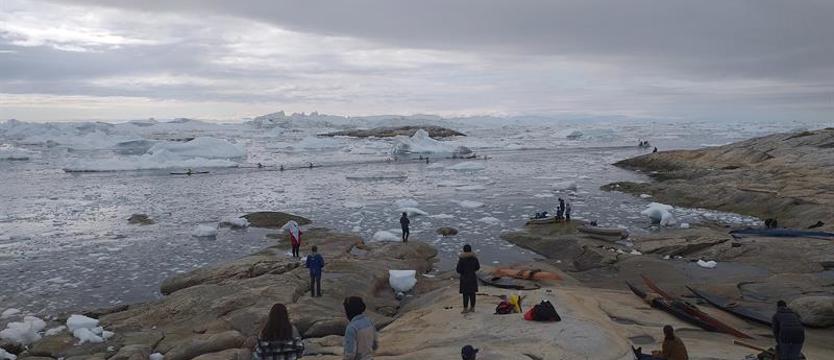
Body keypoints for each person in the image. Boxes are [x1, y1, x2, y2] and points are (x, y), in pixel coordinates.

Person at [456, 244, 480, 314]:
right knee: (472, 293)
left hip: (464, 278)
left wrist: (463, 272)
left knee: (465, 294)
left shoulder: (462, 259)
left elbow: (458, 270)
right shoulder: (474, 258)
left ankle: (465, 309)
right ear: (470, 250)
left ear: (464, 250)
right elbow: (477, 267)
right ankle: (472, 308)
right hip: (472, 277)